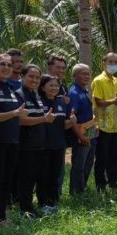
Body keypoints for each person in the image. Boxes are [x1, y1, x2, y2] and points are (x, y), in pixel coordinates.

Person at [0, 53, 27, 227]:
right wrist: (15, 113)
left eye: (9, 65)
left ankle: (6, 211)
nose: (6, 68)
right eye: (2, 64)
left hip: (13, 140)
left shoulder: (10, 89)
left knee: (8, 179)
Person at [15, 64, 56, 217]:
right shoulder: (19, 94)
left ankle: (36, 205)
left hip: (39, 145)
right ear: (22, 77)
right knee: (26, 179)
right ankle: (25, 210)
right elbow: (20, 120)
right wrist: (44, 119)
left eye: (37, 77)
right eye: (31, 76)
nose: (34, 80)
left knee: (38, 177)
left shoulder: (36, 95)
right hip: (26, 145)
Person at [39, 75, 76, 210]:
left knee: (55, 175)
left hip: (59, 144)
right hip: (43, 145)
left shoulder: (61, 102)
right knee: (44, 176)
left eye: (56, 86)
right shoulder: (39, 101)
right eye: (51, 85)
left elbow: (63, 125)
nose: (54, 88)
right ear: (43, 87)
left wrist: (71, 121)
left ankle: (53, 202)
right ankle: (43, 203)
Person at [92, 52, 117, 191]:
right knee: (101, 157)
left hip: (115, 125)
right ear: (103, 63)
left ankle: (113, 182)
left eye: (115, 62)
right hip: (102, 125)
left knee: (115, 156)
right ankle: (100, 184)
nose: (113, 64)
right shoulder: (98, 80)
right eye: (110, 61)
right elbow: (98, 102)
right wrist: (113, 101)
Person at [68, 63, 98, 193]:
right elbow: (72, 117)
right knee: (79, 164)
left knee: (88, 162)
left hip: (89, 131)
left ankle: (82, 187)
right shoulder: (74, 93)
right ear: (75, 76)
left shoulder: (84, 90)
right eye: (83, 73)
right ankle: (76, 191)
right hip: (81, 134)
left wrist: (94, 124)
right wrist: (80, 136)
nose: (86, 76)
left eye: (88, 73)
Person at [47, 55, 71, 195]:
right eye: (58, 67)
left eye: (63, 68)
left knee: (59, 170)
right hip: (44, 138)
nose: (61, 70)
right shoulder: (40, 85)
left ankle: (56, 198)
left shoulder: (63, 87)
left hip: (60, 135)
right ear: (49, 68)